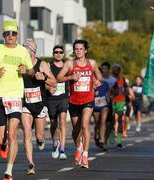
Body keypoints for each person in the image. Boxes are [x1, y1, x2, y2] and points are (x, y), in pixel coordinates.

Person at [0, 20, 34, 180]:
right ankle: (3, 144)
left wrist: (26, 71)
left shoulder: (23, 51)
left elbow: (30, 71)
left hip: (15, 95)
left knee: (13, 135)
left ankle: (8, 171)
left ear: (17, 35)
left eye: (13, 33)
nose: (10, 36)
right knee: (2, 138)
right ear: (3, 35)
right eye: (7, 33)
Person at [57, 39, 102, 169]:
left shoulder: (92, 63)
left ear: (85, 50)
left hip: (88, 99)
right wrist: (70, 78)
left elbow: (99, 77)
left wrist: (97, 82)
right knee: (76, 129)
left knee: (85, 125)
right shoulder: (69, 64)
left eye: (81, 49)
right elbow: (59, 78)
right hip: (74, 101)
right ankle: (78, 148)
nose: (78, 51)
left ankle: (85, 155)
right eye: (76, 49)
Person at [21, 40, 56, 175]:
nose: (23, 51)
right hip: (25, 103)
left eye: (25, 49)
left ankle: (41, 139)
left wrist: (44, 78)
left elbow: (54, 82)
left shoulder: (42, 64)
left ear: (32, 51)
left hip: (39, 103)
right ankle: (30, 163)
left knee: (39, 134)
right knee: (26, 132)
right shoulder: (20, 64)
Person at [46, 45, 69, 160]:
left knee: (63, 122)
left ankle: (63, 149)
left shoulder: (67, 66)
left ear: (63, 54)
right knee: (54, 123)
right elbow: (44, 81)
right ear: (53, 54)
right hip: (51, 98)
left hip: (63, 97)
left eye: (60, 52)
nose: (58, 54)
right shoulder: (48, 66)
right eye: (56, 52)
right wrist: (48, 87)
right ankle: (55, 142)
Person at [111, 64, 128, 148]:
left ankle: (119, 140)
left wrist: (126, 93)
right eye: (114, 69)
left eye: (117, 69)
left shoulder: (122, 78)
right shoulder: (109, 78)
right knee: (111, 120)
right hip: (111, 101)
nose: (116, 71)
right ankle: (111, 135)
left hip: (121, 101)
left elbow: (126, 87)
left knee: (120, 119)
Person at [100, 62, 117, 145]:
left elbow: (117, 91)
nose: (104, 71)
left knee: (109, 123)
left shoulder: (113, 80)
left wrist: (112, 94)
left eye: (105, 69)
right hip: (97, 103)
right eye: (102, 69)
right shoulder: (97, 78)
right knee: (99, 122)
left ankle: (105, 140)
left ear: (108, 70)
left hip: (109, 103)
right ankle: (100, 137)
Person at [93, 68, 110, 150]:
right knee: (97, 123)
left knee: (103, 122)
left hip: (104, 105)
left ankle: (102, 140)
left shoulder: (105, 83)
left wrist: (109, 99)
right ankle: (96, 135)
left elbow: (108, 91)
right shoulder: (91, 84)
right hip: (95, 106)